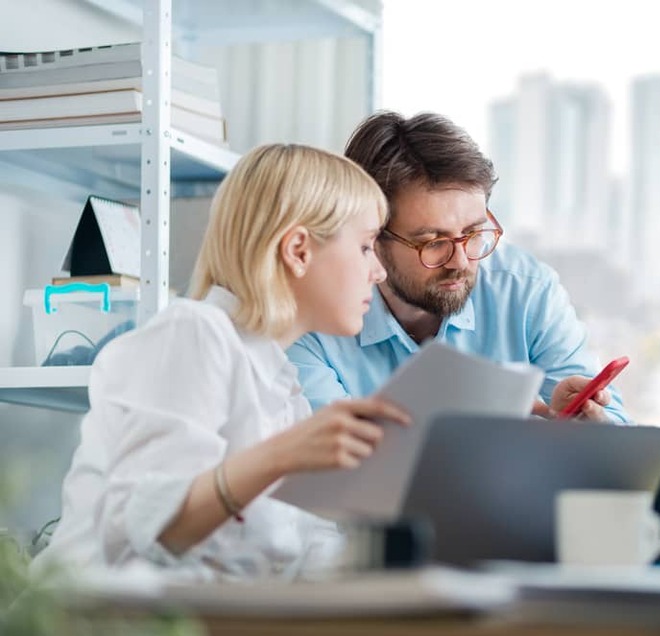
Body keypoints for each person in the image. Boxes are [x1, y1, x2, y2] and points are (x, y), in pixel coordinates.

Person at [35, 144, 410, 580]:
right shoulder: (194, 334)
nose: (378, 272)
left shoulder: (281, 385)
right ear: (299, 251)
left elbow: (303, 551)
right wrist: (283, 456)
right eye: (366, 247)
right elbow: (143, 528)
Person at [288, 112, 630, 423]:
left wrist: (582, 426)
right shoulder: (313, 317)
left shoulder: (526, 291)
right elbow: (327, 469)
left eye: (473, 233)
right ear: (373, 237)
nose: (462, 261)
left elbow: (617, 436)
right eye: (433, 242)